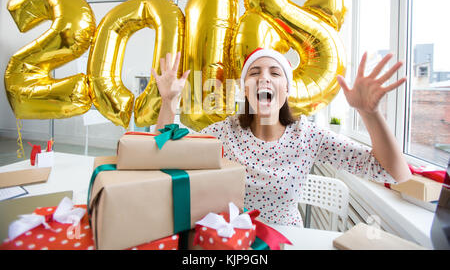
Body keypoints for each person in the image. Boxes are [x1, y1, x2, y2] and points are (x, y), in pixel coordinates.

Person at [152, 48, 412, 226]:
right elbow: (164, 154)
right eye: (254, 73)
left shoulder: (309, 136)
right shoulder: (224, 133)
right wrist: (168, 103)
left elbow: (395, 173)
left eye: (274, 73)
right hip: (233, 241)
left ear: (286, 88)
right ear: (245, 88)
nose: (263, 77)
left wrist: (370, 114)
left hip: (286, 239)